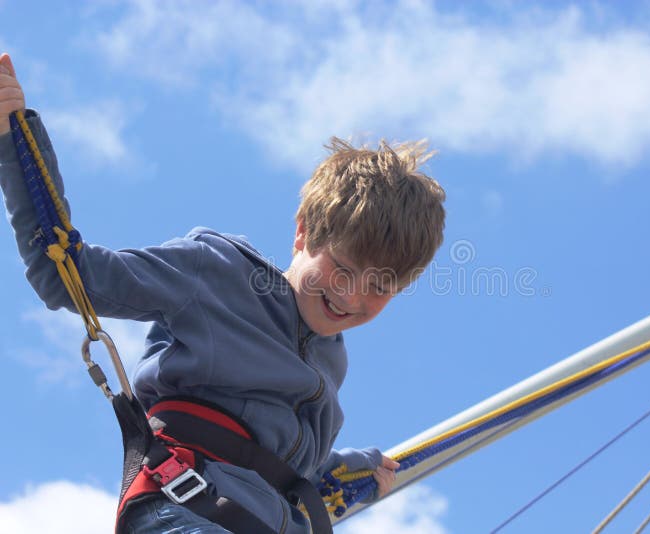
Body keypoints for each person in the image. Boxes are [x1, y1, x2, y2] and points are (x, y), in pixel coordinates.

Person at [0, 52, 446, 533]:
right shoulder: (216, 273)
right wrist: (15, 141)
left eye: (379, 286)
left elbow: (288, 460)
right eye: (342, 268)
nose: (352, 297)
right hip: (187, 504)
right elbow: (69, 274)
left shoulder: (331, 361)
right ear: (303, 233)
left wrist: (355, 469)